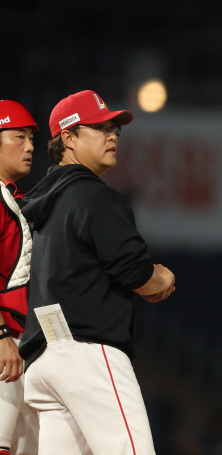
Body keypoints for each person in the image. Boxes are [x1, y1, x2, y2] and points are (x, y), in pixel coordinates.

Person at [19, 90, 176, 455]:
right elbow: (136, 272)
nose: (111, 135)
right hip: (89, 353)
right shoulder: (94, 196)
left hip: (43, 361)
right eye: (99, 128)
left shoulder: (35, 206)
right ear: (68, 139)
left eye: (113, 129)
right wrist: (162, 279)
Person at [0, 100, 39, 455]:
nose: (29, 145)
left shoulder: (18, 198)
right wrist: (0, 335)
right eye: (18, 137)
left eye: (31, 138)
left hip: (20, 342)